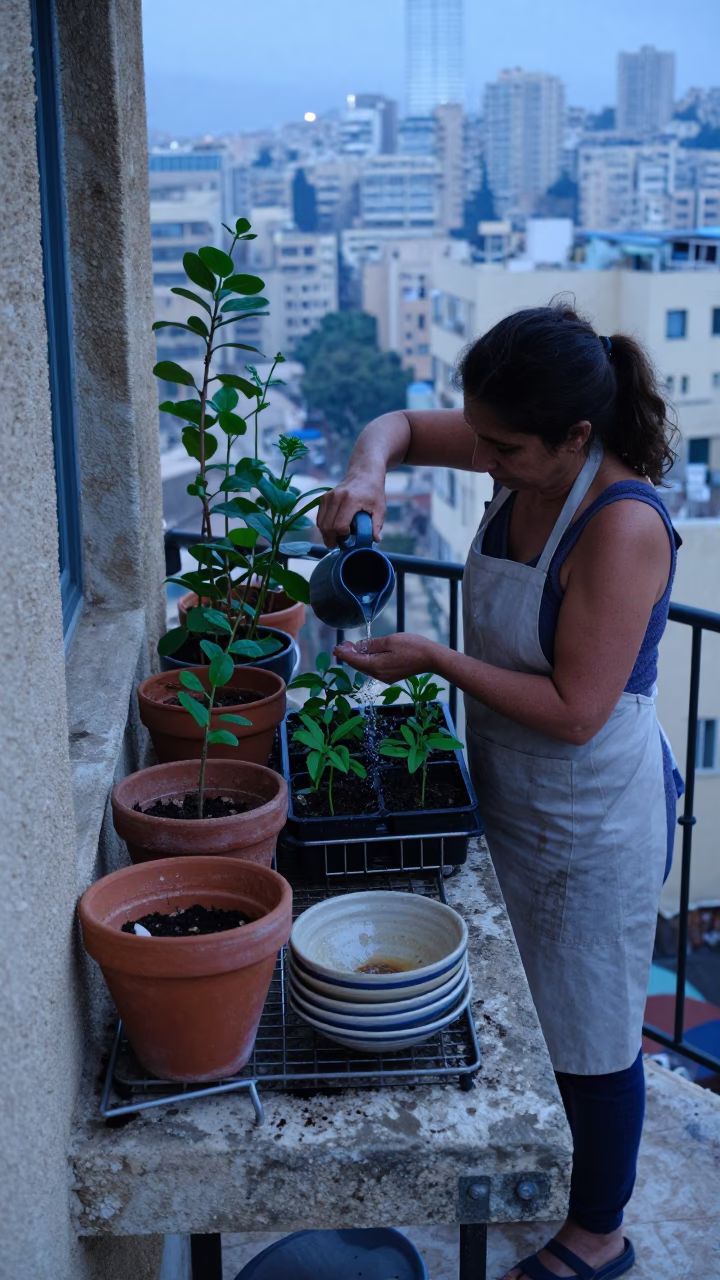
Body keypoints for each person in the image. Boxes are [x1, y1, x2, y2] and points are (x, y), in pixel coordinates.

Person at [317, 305, 682, 1280]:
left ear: (575, 436)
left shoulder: (620, 523)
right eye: (479, 436)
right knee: (524, 1000)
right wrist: (366, 468)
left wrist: (434, 656)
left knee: (595, 1019)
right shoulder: (518, 447)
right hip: (515, 784)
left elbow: (573, 706)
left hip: (592, 805)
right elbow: (398, 427)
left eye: (503, 446)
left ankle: (598, 1233)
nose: (483, 459)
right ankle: (533, 1170)